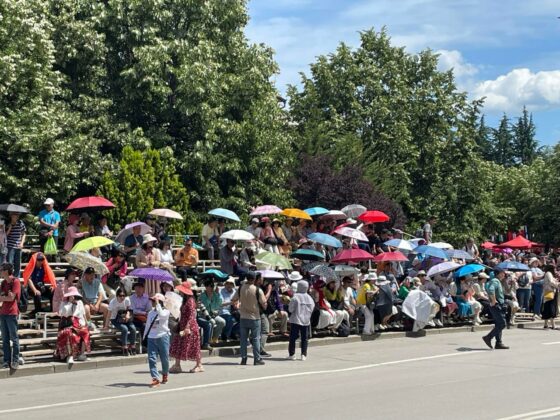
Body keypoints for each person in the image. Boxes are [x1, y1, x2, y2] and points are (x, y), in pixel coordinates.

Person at [231, 271, 267, 365]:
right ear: (254, 279)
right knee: (255, 339)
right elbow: (264, 305)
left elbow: (234, 300)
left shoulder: (241, 288)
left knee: (243, 339)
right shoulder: (257, 290)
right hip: (254, 317)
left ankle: (244, 358)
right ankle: (257, 359)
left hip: (243, 317)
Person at [170, 281, 204, 373]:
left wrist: (187, 327)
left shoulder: (190, 301)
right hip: (183, 325)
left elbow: (191, 316)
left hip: (189, 327)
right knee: (178, 344)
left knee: (193, 346)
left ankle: (199, 365)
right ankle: (177, 365)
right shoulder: (185, 300)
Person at [56, 286, 90, 365]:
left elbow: (82, 314)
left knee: (85, 332)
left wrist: (86, 323)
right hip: (67, 324)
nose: (74, 297)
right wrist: (70, 303)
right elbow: (63, 314)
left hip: (77, 324)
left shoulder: (79, 302)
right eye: (73, 296)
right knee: (70, 334)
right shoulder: (64, 303)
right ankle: (70, 355)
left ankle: (81, 354)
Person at [145, 293, 171, 388]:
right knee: (152, 358)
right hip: (151, 337)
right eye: (152, 301)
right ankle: (155, 379)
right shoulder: (151, 313)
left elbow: (162, 315)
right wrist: (145, 336)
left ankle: (165, 374)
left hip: (163, 336)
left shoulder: (166, 311)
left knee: (165, 358)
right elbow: (148, 325)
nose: (152, 302)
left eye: (154, 301)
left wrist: (158, 304)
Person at [0, 263, 22, 369]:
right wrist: (6, 297)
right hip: (3, 313)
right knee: (4, 339)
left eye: (1, 269)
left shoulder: (15, 281)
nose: (0, 271)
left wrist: (5, 297)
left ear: (6, 271)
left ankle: (15, 360)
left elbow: (11, 298)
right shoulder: (3, 283)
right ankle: (6, 360)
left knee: (14, 338)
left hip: (12, 313)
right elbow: (4, 297)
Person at [288, 280, 315, 361]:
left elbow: (290, 309)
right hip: (306, 320)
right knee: (304, 338)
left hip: (296, 320)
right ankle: (304, 354)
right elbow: (312, 308)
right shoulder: (310, 298)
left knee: (293, 338)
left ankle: (292, 354)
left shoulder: (295, 297)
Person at [482, 269, 509, 350]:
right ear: (499, 274)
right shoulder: (495, 281)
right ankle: (488, 337)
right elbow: (491, 290)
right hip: (496, 306)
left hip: (498, 305)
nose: (504, 275)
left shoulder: (497, 281)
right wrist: (493, 301)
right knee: (502, 324)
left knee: (498, 324)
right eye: (503, 273)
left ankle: (499, 343)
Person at [108, 288, 137, 355]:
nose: (122, 297)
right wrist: (106, 325)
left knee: (133, 328)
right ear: (117, 295)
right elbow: (109, 314)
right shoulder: (113, 302)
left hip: (125, 318)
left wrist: (127, 315)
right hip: (115, 319)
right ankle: (124, 346)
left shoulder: (127, 300)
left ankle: (132, 345)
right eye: (120, 295)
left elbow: (128, 309)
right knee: (125, 329)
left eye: (124, 295)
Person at [199, 280, 226, 344]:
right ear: (206, 287)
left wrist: (218, 294)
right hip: (204, 315)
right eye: (210, 286)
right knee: (211, 322)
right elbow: (204, 308)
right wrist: (210, 297)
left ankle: (214, 338)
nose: (212, 288)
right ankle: (208, 341)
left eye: (213, 286)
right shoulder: (202, 296)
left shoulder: (215, 294)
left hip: (213, 314)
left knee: (222, 322)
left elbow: (219, 304)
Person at [5, 212, 26, 278]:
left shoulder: (21, 223)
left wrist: (22, 243)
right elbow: (5, 235)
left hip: (18, 246)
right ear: (11, 216)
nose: (16, 217)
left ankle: (17, 278)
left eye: (17, 215)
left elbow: (24, 234)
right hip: (10, 246)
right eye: (14, 215)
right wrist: (10, 226)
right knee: (10, 263)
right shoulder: (7, 223)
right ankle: (9, 278)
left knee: (18, 264)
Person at [542, 265, 558, 329]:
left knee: (547, 308)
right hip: (550, 292)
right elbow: (551, 282)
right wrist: (557, 285)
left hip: (548, 292)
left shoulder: (548, 274)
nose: (555, 270)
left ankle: (545, 324)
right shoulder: (549, 273)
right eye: (554, 268)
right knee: (551, 308)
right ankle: (553, 325)